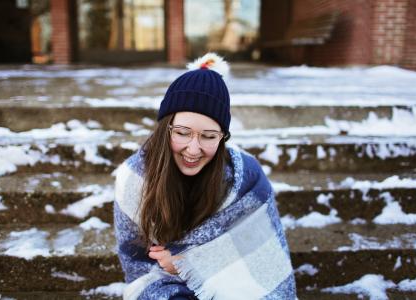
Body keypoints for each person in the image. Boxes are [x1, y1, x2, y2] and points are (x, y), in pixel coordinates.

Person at [114, 53, 296, 299]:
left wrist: (187, 262)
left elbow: (261, 256)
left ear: (222, 139)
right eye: (182, 132)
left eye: (209, 137)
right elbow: (137, 265)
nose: (193, 149)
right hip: (163, 284)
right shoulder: (135, 178)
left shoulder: (245, 179)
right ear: (165, 129)